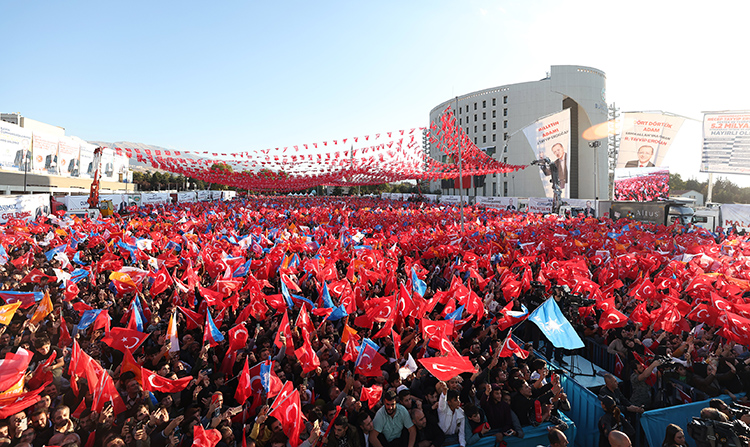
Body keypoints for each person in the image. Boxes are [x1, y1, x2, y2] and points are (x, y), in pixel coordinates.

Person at [436, 381, 465, 447]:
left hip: (453, 439)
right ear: (449, 402)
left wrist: (462, 445)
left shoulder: (461, 413)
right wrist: (444, 390)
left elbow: (462, 433)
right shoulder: (443, 409)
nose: (459, 402)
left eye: (458, 399)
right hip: (440, 439)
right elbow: (442, 401)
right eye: (455, 400)